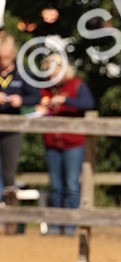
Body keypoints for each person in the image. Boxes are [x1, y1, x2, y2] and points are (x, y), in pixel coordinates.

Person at [36, 52, 95, 235]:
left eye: (54, 71)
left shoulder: (76, 85)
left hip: (73, 143)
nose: (51, 76)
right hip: (52, 142)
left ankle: (70, 226)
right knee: (55, 186)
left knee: (71, 185)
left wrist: (64, 100)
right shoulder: (46, 89)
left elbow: (88, 103)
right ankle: (55, 225)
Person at [0, 33, 40, 210]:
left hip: (12, 129)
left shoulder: (22, 73)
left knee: (9, 173)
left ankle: (10, 218)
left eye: (7, 57)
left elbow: (35, 96)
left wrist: (20, 100)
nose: (4, 61)